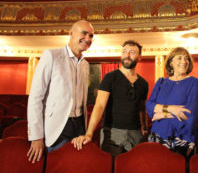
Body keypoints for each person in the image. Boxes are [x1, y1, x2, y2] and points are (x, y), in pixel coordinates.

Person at [27, 20, 94, 163]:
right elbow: (35, 98)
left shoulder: (86, 65)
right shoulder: (51, 56)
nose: (88, 38)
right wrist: (36, 136)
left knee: (77, 166)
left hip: (80, 126)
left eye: (91, 35)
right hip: (57, 127)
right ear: (71, 33)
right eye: (84, 33)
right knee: (58, 166)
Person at [72, 40, 148, 157]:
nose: (127, 55)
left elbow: (142, 108)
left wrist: (144, 127)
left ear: (139, 57)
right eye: (124, 52)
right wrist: (89, 133)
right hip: (112, 132)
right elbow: (99, 106)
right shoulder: (110, 77)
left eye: (132, 52)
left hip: (135, 133)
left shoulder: (143, 83)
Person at [146, 47, 198, 160]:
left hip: (181, 138)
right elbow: (149, 105)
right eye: (179, 58)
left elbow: (189, 115)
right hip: (157, 136)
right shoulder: (161, 82)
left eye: (186, 59)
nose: (184, 61)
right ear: (171, 62)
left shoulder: (194, 83)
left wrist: (160, 114)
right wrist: (171, 109)